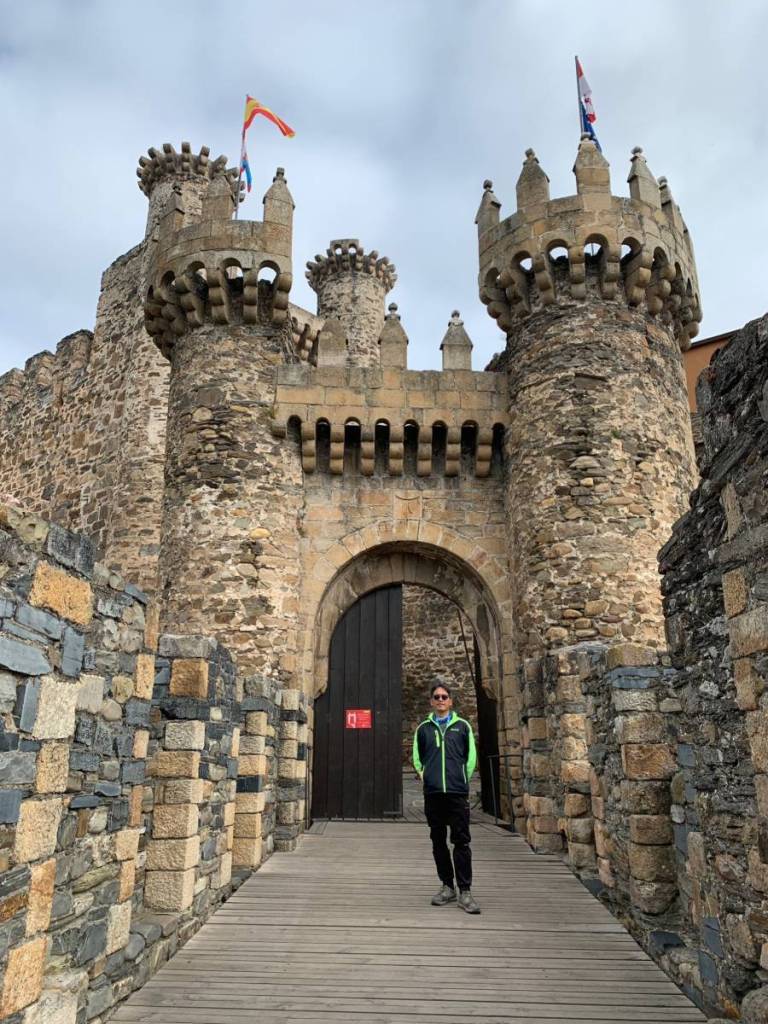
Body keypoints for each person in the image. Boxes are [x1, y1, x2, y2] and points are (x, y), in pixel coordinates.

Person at [412, 681, 480, 914]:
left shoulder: (462, 727)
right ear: (431, 702)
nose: (440, 700)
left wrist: (461, 779)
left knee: (461, 841)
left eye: (444, 697)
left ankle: (465, 890)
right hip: (433, 794)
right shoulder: (423, 729)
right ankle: (447, 886)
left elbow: (470, 757)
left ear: (450, 701)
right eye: (436, 697)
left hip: (456, 793)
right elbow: (417, 757)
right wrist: (427, 777)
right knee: (438, 841)